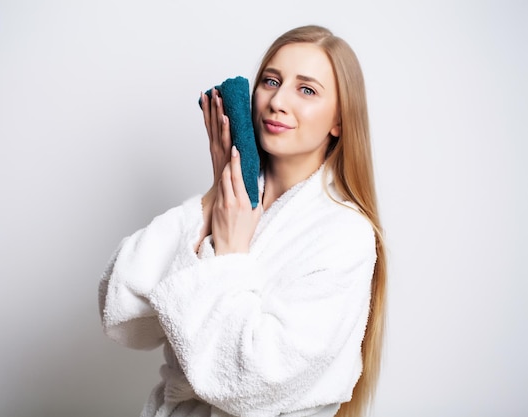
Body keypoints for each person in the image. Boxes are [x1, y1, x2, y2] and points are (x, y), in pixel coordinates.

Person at [99, 24, 387, 417]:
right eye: (271, 80)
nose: (277, 101)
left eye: (307, 90)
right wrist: (215, 194)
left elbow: (254, 380)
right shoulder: (230, 204)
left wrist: (231, 255)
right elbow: (122, 310)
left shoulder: (345, 235)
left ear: (339, 120)